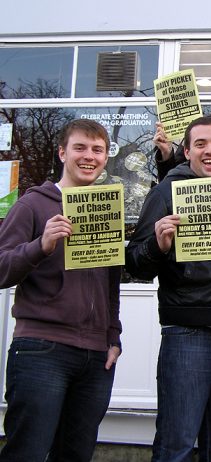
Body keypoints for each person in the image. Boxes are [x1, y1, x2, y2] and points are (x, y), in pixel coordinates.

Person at [126, 116, 211, 462]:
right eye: (200, 144)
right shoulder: (164, 194)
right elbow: (135, 265)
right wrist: (158, 244)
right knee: (176, 446)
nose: (210, 150)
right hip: (189, 337)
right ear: (186, 151)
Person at [0, 119, 122, 461]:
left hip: (97, 357)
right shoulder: (32, 205)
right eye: (80, 147)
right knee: (28, 452)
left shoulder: (105, 208)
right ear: (62, 152)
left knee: (76, 454)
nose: (89, 156)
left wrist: (114, 337)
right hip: (42, 350)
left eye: (97, 150)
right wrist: (41, 245)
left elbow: (110, 282)